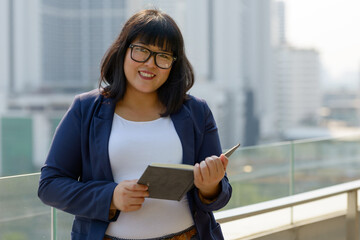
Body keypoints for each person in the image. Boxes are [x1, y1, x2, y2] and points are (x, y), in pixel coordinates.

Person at [38, 9, 232, 240]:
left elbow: (220, 196)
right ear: (123, 51)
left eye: (164, 56)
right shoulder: (85, 109)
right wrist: (111, 196)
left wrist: (210, 186)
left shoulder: (197, 112)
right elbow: (50, 186)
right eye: (141, 50)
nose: (151, 64)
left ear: (173, 65)